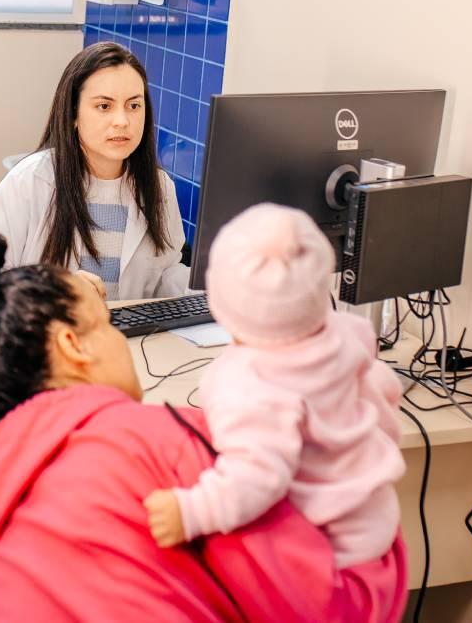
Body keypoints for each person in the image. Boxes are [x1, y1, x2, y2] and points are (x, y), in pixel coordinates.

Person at [0, 223, 408, 622]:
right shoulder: (161, 447)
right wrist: (364, 497)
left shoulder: (7, 485)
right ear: (72, 346)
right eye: (106, 325)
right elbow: (335, 609)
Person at [142, 204, 406, 572]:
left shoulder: (249, 382)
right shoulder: (350, 334)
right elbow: (385, 392)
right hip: (376, 527)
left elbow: (257, 475)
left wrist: (190, 512)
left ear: (221, 301)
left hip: (325, 554)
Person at [0, 42, 188, 301]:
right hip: (45, 334)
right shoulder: (32, 180)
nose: (122, 121)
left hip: (125, 338)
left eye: (134, 106)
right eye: (104, 107)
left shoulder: (159, 187)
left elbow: (165, 277)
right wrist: (52, 288)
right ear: (73, 114)